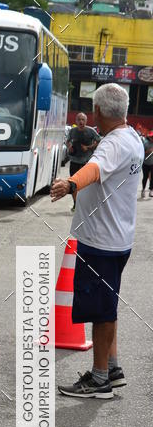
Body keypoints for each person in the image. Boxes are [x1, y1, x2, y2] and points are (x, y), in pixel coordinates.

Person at [51, 83, 144, 399]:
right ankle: (112, 369)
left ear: (99, 111)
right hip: (117, 238)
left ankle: (100, 378)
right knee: (108, 306)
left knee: (102, 311)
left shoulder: (113, 144)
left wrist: (70, 184)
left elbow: (93, 169)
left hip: (102, 242)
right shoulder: (132, 138)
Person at [65, 112, 101, 211]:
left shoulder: (91, 131)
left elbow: (99, 141)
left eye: (83, 120)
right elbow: (67, 141)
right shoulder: (72, 131)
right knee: (73, 184)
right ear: (76, 121)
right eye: (79, 120)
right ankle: (75, 204)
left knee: (85, 185)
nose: (81, 122)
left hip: (86, 162)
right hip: (74, 161)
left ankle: (85, 204)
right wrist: (69, 147)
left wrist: (88, 147)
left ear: (86, 121)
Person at [140, 131, 153, 197]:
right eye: (152, 137)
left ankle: (151, 190)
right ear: (149, 137)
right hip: (146, 163)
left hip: (152, 163)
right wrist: (147, 151)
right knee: (145, 177)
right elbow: (141, 153)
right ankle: (143, 189)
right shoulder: (145, 143)